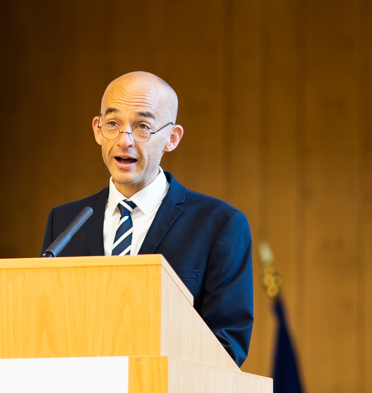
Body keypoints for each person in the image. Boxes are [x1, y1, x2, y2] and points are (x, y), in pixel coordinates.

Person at [39, 71, 253, 365]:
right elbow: (43, 326)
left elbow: (227, 347)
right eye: (113, 124)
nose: (124, 140)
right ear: (97, 130)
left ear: (172, 138)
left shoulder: (220, 225)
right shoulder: (65, 222)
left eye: (142, 127)